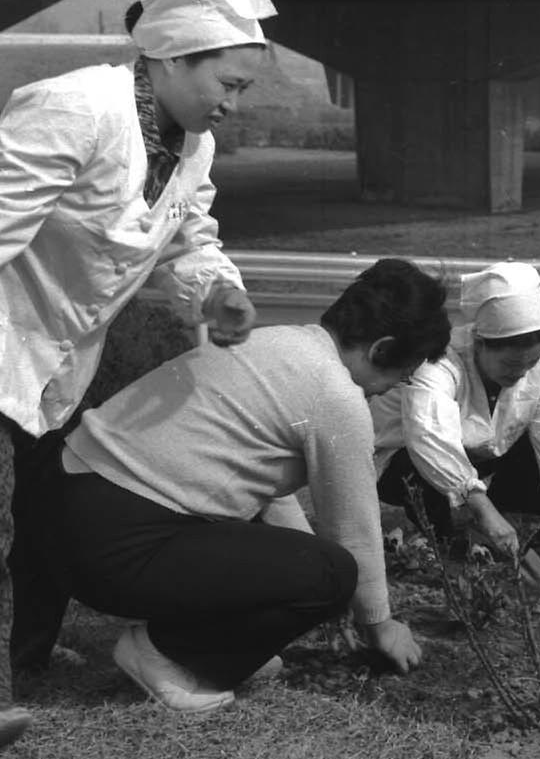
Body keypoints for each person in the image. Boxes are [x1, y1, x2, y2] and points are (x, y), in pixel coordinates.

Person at [0, 0, 273, 753]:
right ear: (174, 58)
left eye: (243, 89)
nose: (232, 105)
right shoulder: (73, 108)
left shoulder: (191, 143)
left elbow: (189, 238)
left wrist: (219, 292)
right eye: (227, 83)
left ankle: (16, 666)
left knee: (39, 520)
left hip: (59, 366)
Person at [43, 259, 451, 715]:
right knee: (333, 573)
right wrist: (379, 624)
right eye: (406, 374)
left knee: (311, 567)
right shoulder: (336, 393)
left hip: (62, 509)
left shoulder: (277, 345)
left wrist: (301, 598)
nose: (396, 387)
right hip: (115, 544)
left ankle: (214, 649)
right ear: (382, 349)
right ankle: (165, 654)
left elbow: (271, 500)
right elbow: (353, 532)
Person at [373, 261, 540, 557]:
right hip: (406, 462)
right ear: (479, 343)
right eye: (511, 364)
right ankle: (450, 536)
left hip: (481, 454)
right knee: (422, 478)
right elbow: (428, 437)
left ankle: (513, 517)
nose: (522, 373)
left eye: (530, 363)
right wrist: (479, 504)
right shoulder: (439, 361)